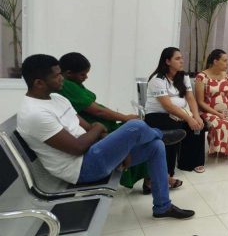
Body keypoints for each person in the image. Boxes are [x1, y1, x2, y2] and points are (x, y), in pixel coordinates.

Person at [17, 54, 195, 219]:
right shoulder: (35, 113)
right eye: (56, 76)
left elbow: (89, 128)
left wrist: (119, 149)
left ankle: (163, 207)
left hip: (93, 154)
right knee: (135, 126)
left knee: (156, 147)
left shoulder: (57, 99)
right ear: (39, 83)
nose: (62, 78)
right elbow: (77, 147)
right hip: (81, 168)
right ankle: (159, 134)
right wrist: (97, 129)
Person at [57, 52, 149, 189]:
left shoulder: (74, 83)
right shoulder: (66, 85)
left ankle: (153, 179)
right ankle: (157, 135)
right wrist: (125, 117)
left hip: (101, 128)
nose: (86, 77)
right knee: (140, 131)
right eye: (83, 74)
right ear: (68, 73)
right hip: (98, 132)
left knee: (151, 142)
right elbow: (97, 111)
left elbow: (96, 107)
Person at [145, 47, 206, 193]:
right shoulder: (157, 79)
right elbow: (167, 106)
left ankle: (188, 163)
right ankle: (165, 176)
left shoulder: (183, 76)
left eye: (182, 58)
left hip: (179, 113)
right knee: (175, 130)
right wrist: (188, 118)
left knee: (200, 125)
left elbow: (190, 97)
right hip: (157, 116)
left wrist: (196, 116)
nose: (182, 61)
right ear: (167, 61)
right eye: (177, 58)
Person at [195, 49, 228, 158]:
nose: (227, 63)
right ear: (215, 61)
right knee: (219, 124)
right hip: (208, 111)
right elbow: (200, 102)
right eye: (225, 60)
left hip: (226, 110)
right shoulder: (202, 77)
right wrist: (217, 114)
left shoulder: (227, 76)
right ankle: (216, 150)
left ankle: (226, 150)